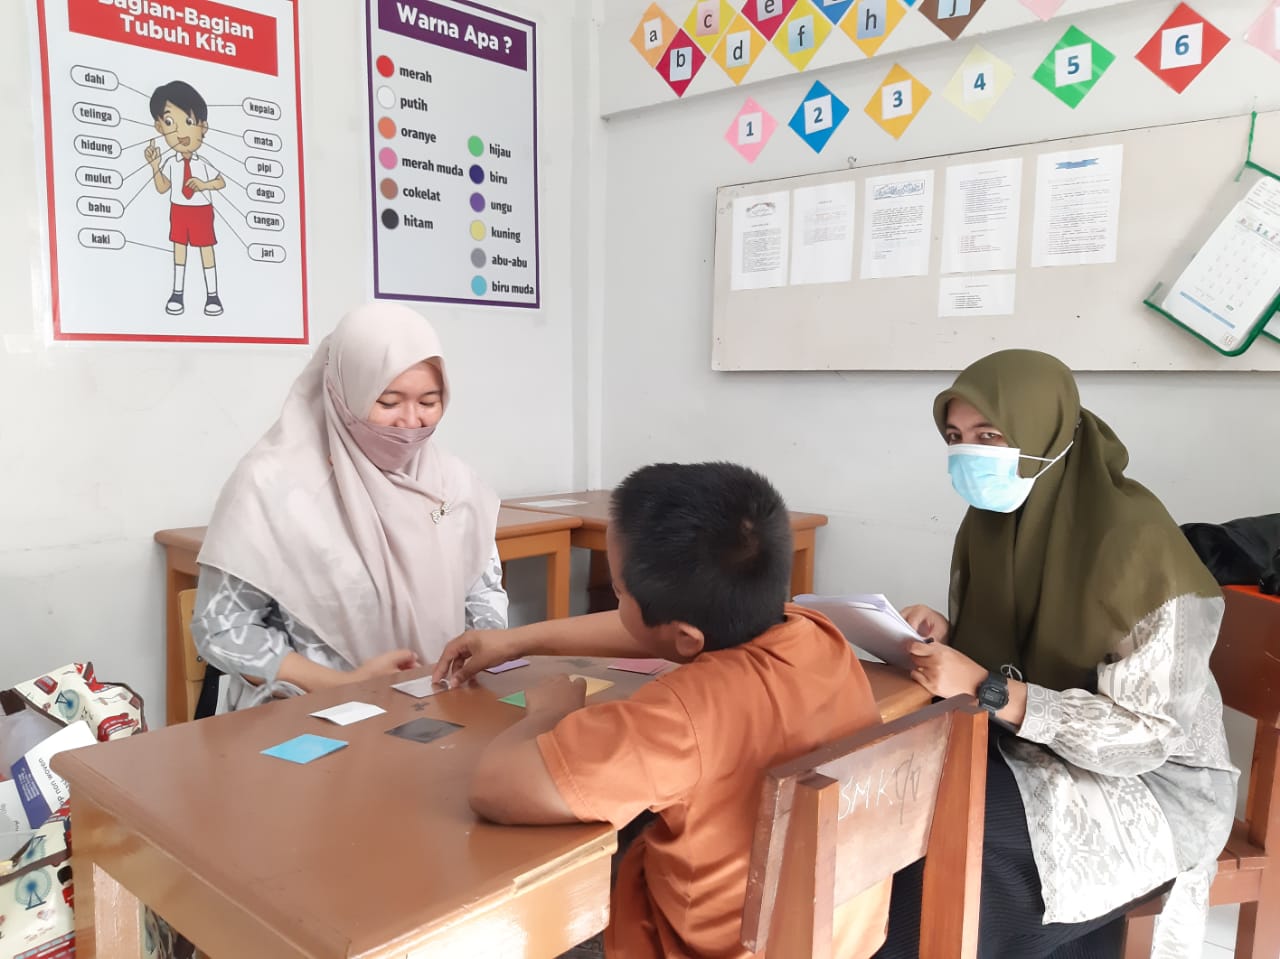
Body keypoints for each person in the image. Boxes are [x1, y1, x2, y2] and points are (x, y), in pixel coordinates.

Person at [434, 462, 891, 959]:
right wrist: (519, 640)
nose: (616, 604)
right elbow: (658, 633)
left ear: (686, 635)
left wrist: (547, 713)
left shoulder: (682, 716)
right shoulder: (815, 633)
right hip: (836, 938)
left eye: (619, 593)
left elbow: (495, 786)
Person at [878, 350, 1236, 959]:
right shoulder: (991, 523)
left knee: (953, 844)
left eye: (989, 435)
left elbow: (1146, 736)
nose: (969, 454)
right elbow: (1020, 652)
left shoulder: (1137, 547)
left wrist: (986, 688)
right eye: (955, 437)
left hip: (1154, 780)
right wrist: (950, 636)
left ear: (1045, 432)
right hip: (1032, 743)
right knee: (897, 799)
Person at [191, 302, 506, 711]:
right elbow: (222, 628)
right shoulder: (272, 486)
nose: (411, 422)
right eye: (388, 402)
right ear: (343, 392)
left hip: (438, 702)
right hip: (310, 712)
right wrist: (342, 684)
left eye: (429, 402)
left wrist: (478, 653)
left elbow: (483, 590)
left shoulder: (453, 482)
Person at [145, 80, 226, 317]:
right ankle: (177, 293)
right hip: (179, 210)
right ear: (159, 127)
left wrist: (203, 185)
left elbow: (220, 182)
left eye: (189, 122)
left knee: (206, 250)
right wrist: (154, 166)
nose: (181, 132)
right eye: (170, 122)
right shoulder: (172, 163)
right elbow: (162, 187)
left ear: (203, 127)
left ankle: (212, 295)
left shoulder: (203, 163)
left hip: (201, 211)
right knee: (179, 250)